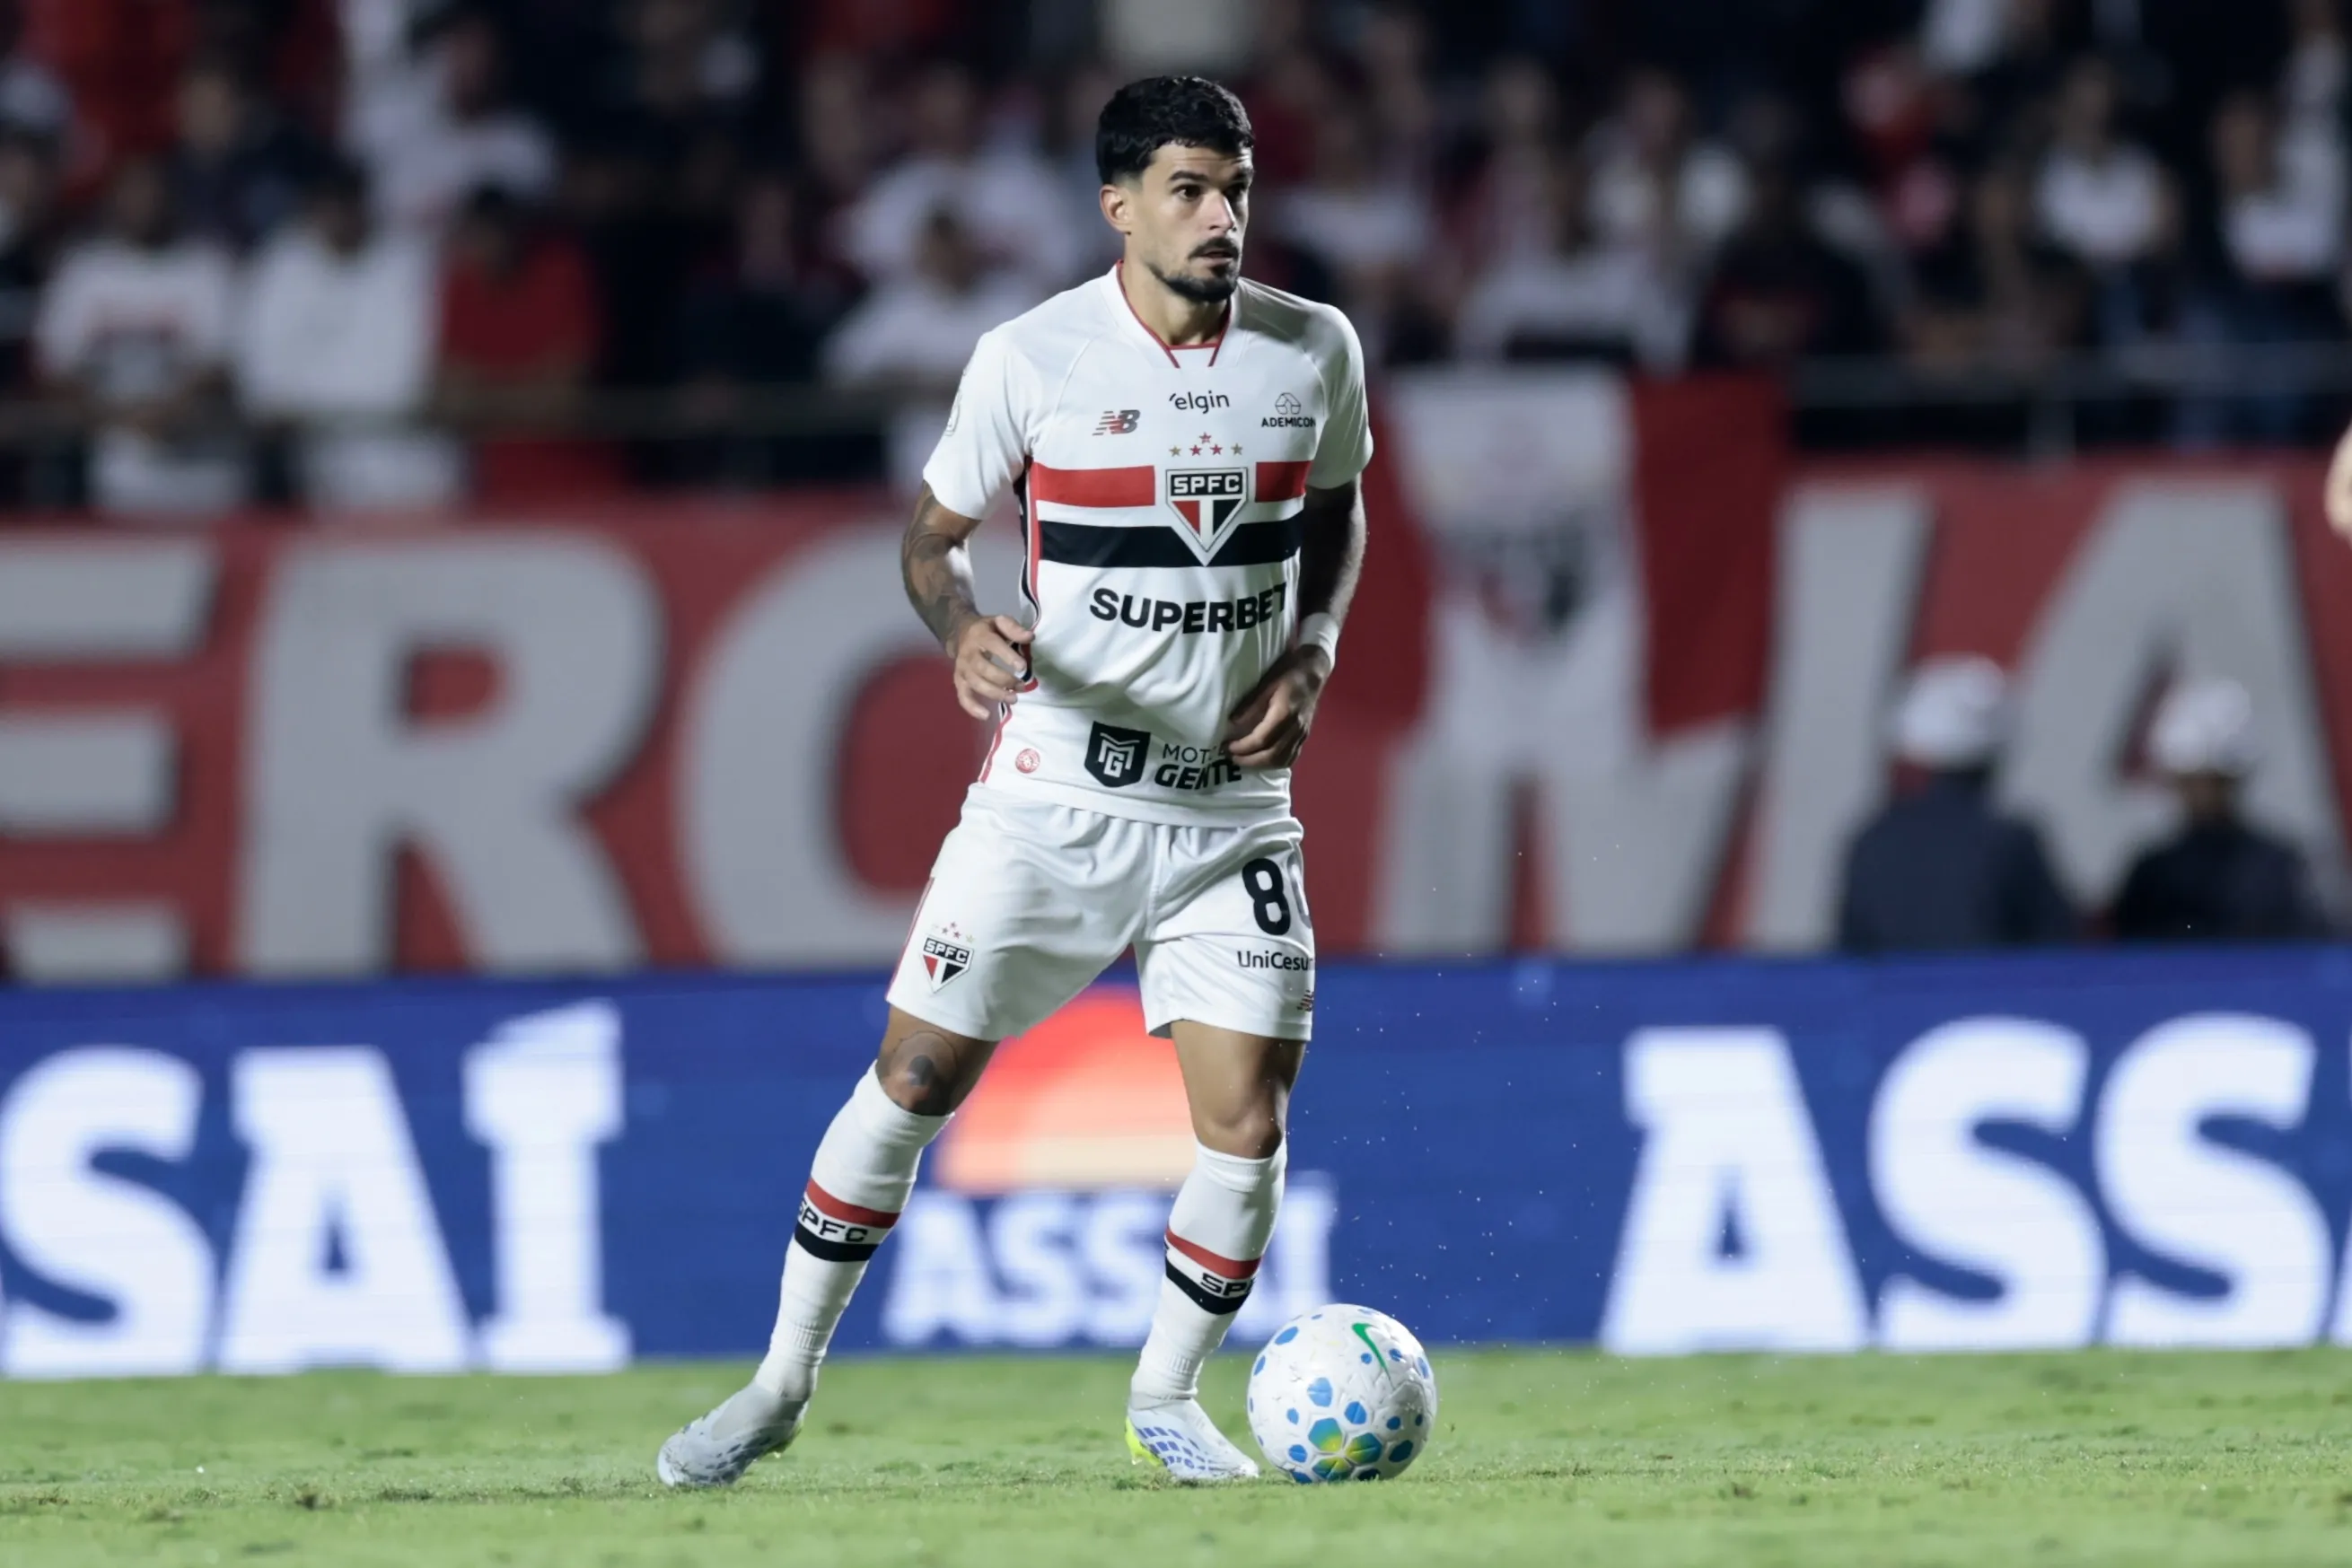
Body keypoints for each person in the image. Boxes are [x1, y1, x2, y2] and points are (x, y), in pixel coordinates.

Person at [657, 74, 1370, 1489]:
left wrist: (1316, 650)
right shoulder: (1031, 358)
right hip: (1056, 791)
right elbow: (932, 541)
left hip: (1229, 810)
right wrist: (960, 625)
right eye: (1188, 188)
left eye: (1235, 187)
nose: (1222, 213)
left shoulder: (1313, 348)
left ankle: (1168, 1398)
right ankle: (779, 1381)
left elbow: (1339, 515)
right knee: (914, 1073)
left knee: (1250, 1118)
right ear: (1117, 207)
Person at [1837, 656, 2076, 952]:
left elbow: (1849, 953)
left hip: (1895, 998)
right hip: (1994, 998)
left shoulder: (1872, 840)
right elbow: (2058, 950)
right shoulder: (2012, 842)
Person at [2110, 679, 2330, 941]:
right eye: (2189, 781)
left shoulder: (2278, 866)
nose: (2197, 793)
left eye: (2209, 780)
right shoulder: (2153, 872)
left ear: (2233, 780)